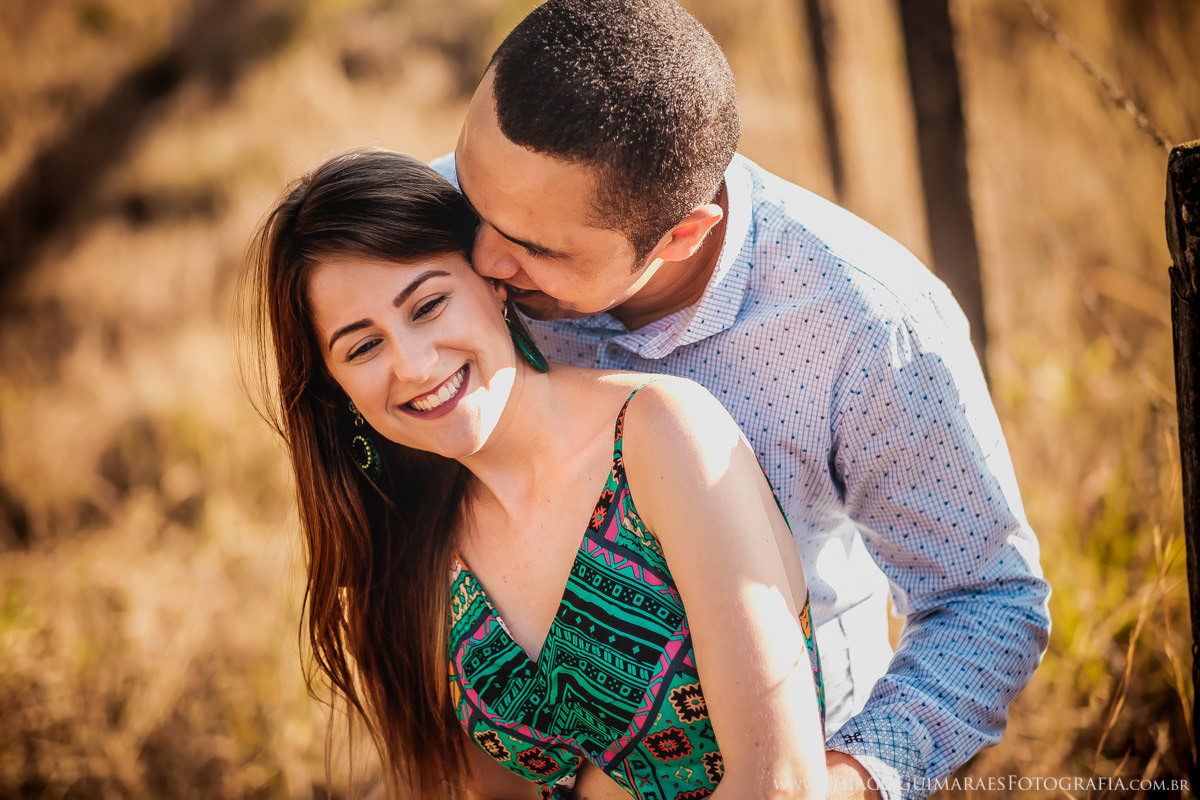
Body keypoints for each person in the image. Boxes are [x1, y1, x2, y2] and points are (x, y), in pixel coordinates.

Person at [431, 1, 1052, 798]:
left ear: (683, 235)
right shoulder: (446, 222)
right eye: (473, 197)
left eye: (535, 248)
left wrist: (838, 780)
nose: (480, 257)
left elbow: (988, 599)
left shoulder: (866, 324)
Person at [240, 147, 829, 799]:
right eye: (364, 346)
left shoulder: (658, 435)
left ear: (493, 281)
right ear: (337, 387)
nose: (411, 364)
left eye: (428, 305)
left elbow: (783, 784)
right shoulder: (414, 556)